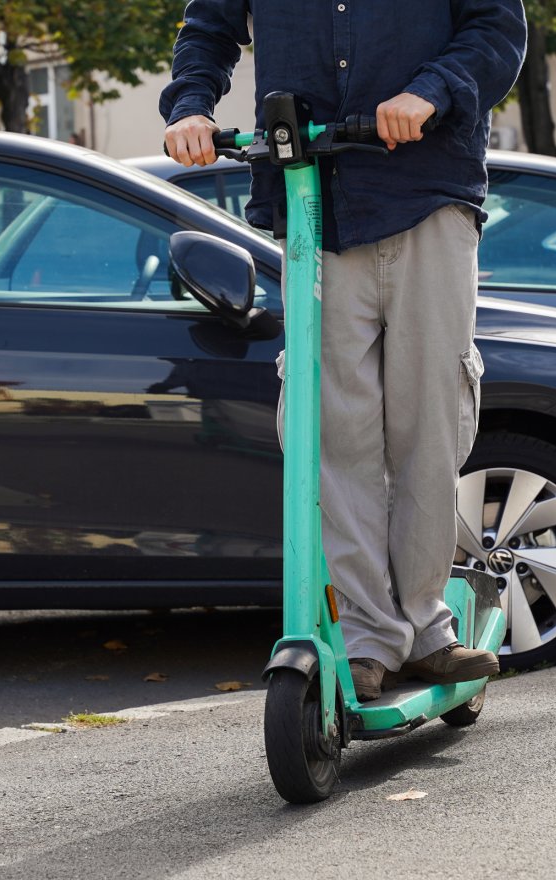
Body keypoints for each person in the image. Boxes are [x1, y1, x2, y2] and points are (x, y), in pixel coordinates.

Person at [161, 1, 527, 701]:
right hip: (311, 197)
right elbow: (208, 29)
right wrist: (190, 107)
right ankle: (367, 636)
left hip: (427, 190)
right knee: (334, 434)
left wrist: (432, 91)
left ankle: (424, 627)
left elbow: (496, 31)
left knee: (427, 421)